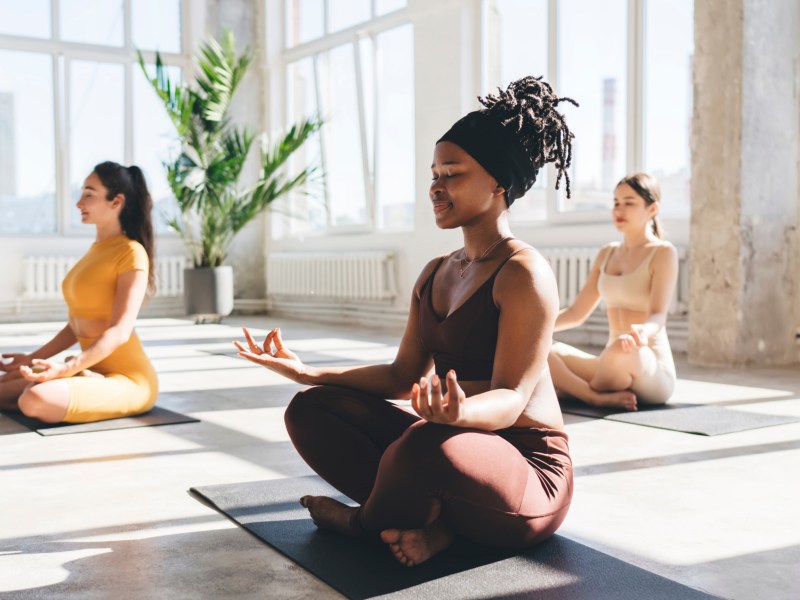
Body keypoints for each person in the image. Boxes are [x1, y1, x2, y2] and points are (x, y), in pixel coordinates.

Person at [234, 76, 576, 567]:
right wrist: (307, 372)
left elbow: (511, 398)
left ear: (499, 183)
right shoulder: (435, 272)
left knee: (423, 445)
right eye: (433, 174)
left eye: (452, 173)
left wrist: (456, 417)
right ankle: (437, 527)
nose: (436, 187)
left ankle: (361, 522)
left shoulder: (523, 273)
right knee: (311, 409)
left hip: (527, 475)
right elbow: (402, 377)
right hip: (452, 445)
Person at [0, 161, 159, 423]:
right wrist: (31, 358)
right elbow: (77, 325)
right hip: (90, 366)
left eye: (89, 194)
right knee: (4, 390)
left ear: (116, 202)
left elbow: (120, 332)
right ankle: (82, 377)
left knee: (33, 399)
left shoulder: (131, 253)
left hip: (130, 380)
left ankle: (79, 377)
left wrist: (66, 368)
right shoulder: (96, 251)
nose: (78, 203)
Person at [548, 173, 679, 412]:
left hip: (647, 364)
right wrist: (532, 329)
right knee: (541, 350)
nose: (619, 209)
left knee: (620, 347)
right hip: (610, 363)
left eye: (629, 203)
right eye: (616, 202)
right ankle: (593, 395)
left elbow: (659, 315)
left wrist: (642, 332)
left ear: (653, 209)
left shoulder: (663, 253)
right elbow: (578, 313)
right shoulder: (607, 253)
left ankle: (576, 390)